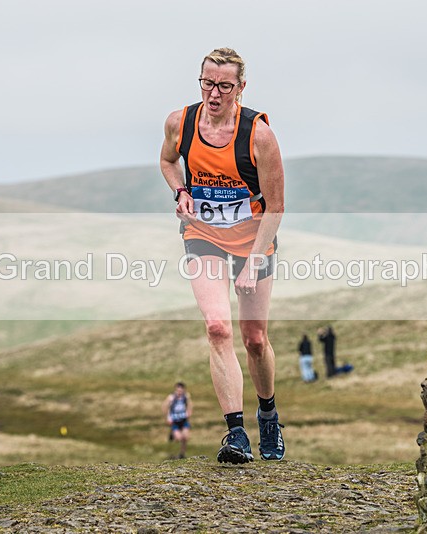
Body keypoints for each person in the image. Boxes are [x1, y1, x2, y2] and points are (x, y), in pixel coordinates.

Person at [160, 47, 286, 463]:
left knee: (254, 340)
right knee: (217, 328)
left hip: (254, 240)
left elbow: (276, 207)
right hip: (204, 236)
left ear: (241, 88)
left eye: (224, 86)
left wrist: (253, 260)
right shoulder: (181, 123)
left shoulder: (259, 136)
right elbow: (167, 160)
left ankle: (268, 413)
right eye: (207, 83)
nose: (214, 94)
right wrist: (181, 190)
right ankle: (236, 434)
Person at [162, 382, 193, 459]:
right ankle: (173, 437)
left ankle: (182, 454)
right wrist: (167, 417)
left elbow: (190, 405)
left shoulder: (186, 397)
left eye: (181, 390)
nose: (179, 392)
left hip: (183, 419)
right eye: (178, 390)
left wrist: (189, 412)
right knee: (178, 438)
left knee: (185, 437)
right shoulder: (171, 397)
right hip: (174, 420)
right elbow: (164, 406)